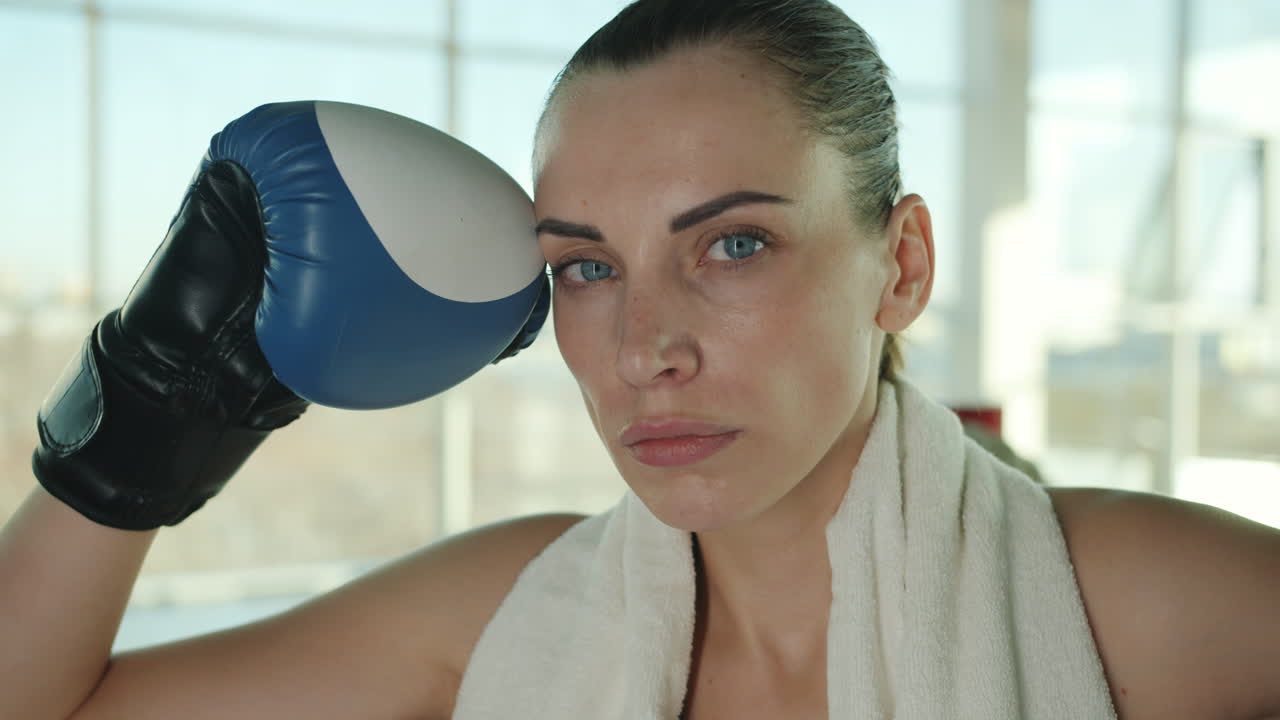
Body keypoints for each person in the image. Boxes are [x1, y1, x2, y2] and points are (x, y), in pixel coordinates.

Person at [2, 1, 1278, 718]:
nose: (642, 350)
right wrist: (150, 407)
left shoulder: (1142, 603)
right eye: (584, 266)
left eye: (732, 245)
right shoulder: (496, 615)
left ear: (899, 267)